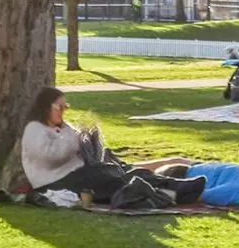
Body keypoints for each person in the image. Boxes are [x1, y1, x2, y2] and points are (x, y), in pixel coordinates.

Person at [17, 88, 201, 208]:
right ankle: (168, 194)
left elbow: (74, 143)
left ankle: (174, 187)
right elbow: (50, 158)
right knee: (106, 175)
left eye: (66, 106)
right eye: (60, 106)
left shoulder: (63, 128)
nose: (64, 110)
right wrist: (74, 142)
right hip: (55, 182)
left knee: (121, 170)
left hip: (75, 174)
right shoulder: (35, 129)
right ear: (46, 107)